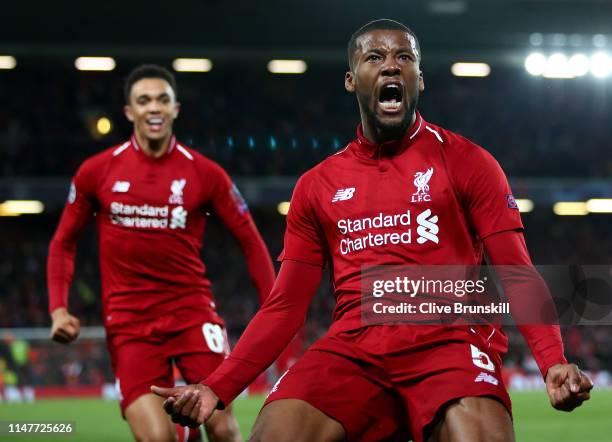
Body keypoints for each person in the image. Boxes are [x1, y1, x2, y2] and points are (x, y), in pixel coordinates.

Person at [152, 20, 593, 442]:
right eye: (375, 56)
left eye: (405, 57)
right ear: (351, 80)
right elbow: (286, 306)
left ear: (420, 80)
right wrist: (217, 387)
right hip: (354, 350)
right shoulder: (317, 185)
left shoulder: (468, 162)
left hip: (449, 343)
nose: (390, 65)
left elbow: (517, 270)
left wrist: (553, 362)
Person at [47, 64, 275, 442]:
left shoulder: (205, 174)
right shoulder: (97, 171)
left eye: (162, 100)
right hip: (129, 323)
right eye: (144, 100)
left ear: (175, 109)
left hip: (192, 313)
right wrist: (58, 308)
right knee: (156, 438)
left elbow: (250, 240)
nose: (154, 107)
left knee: (222, 428)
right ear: (129, 112)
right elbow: (62, 242)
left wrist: (273, 307)